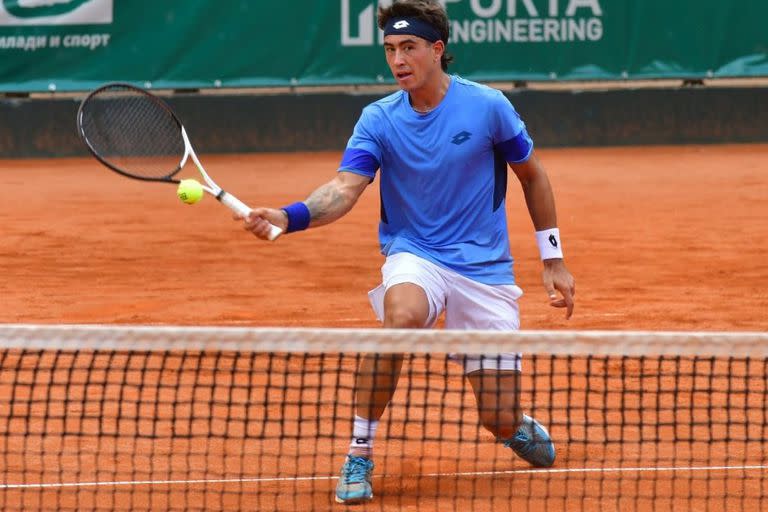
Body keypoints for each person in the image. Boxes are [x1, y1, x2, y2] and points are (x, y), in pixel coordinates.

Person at [239, 0, 575, 505]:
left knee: (496, 415)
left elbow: (533, 174)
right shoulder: (378, 119)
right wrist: (291, 216)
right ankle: (359, 452)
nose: (398, 60)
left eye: (409, 47)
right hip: (415, 254)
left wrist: (552, 258)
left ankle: (512, 426)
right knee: (400, 320)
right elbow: (345, 187)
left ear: (437, 50)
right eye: (390, 49)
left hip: (484, 269)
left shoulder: (488, 106)